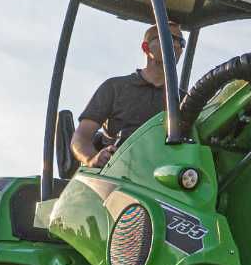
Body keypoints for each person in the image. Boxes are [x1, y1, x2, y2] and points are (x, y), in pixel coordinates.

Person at [72, 24, 184, 169]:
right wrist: (92, 158)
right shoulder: (115, 87)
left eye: (181, 42)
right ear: (146, 48)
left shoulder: (183, 100)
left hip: (163, 175)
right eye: (168, 38)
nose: (175, 45)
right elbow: (81, 137)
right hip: (116, 174)